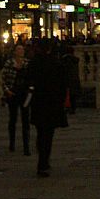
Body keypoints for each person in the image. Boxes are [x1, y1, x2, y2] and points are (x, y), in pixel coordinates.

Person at [28, 38, 68, 177]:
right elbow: (63, 85)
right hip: (52, 103)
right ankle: (44, 161)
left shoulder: (33, 63)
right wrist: (61, 101)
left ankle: (42, 158)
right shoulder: (56, 63)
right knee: (48, 134)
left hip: (38, 103)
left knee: (41, 131)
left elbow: (29, 81)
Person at [2, 44, 30, 155]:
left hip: (24, 94)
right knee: (12, 119)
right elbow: (2, 78)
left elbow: (30, 78)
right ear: (14, 51)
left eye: (22, 49)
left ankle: (26, 145)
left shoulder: (27, 63)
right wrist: (6, 90)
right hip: (12, 93)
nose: (20, 51)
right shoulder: (9, 63)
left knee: (25, 120)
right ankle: (12, 143)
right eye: (18, 49)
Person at [61, 44, 81, 115]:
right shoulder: (75, 60)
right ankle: (73, 108)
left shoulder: (65, 60)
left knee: (66, 94)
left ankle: (67, 107)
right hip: (74, 79)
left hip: (67, 79)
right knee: (73, 95)